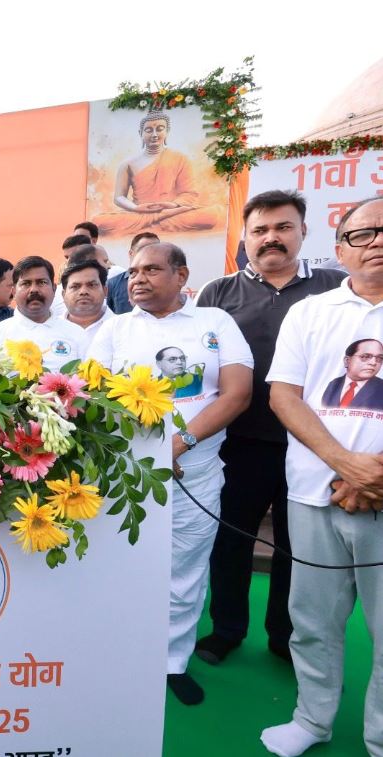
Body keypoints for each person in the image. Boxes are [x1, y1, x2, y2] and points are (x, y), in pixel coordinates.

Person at [87, 242, 253, 706]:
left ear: (181, 275)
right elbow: (91, 398)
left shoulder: (214, 322)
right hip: (128, 475)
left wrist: (177, 445)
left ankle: (172, 662)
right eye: (133, 271)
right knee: (124, 569)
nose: (138, 279)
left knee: (184, 572)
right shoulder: (115, 328)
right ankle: (122, 656)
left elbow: (237, 393)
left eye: (152, 270)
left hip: (195, 473)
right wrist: (149, 452)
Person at [195, 189, 347, 668]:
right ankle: (226, 629)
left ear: (304, 232)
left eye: (283, 227)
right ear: (246, 237)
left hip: (312, 444)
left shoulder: (334, 287)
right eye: (260, 230)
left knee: (295, 545)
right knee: (231, 539)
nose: (271, 238)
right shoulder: (217, 294)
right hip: (238, 443)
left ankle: (284, 634)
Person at [262, 196, 383, 757]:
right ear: (339, 249)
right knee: (311, 620)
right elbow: (284, 395)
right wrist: (347, 463)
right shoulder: (310, 312)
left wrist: (373, 475)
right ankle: (312, 720)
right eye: (362, 234)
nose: (376, 242)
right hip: (314, 495)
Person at [92, 111, 225, 236]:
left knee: (212, 215)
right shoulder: (128, 164)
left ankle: (149, 224)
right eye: (149, 130)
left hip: (171, 211)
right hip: (140, 213)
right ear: (140, 133)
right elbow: (119, 197)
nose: (154, 134)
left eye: (160, 129)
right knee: (98, 222)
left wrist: (173, 205)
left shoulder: (180, 159)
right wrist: (136, 208)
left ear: (167, 131)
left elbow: (189, 193)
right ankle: (158, 221)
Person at [0, 256, 87, 371]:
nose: (34, 289)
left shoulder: (76, 333)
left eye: (42, 282)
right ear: (13, 291)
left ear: (54, 289)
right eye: (26, 283)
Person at [319, 339, 383, 410]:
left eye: (380, 358)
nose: (373, 363)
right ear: (347, 361)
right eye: (365, 356)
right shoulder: (333, 384)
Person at [61, 255, 112, 340]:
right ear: (63, 294)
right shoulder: (50, 329)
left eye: (91, 285)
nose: (83, 292)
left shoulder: (124, 328)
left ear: (105, 291)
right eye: (75, 286)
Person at [107, 231, 160, 314]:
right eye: (143, 250)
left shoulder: (166, 282)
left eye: (155, 250)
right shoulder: (113, 284)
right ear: (131, 253)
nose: (149, 254)